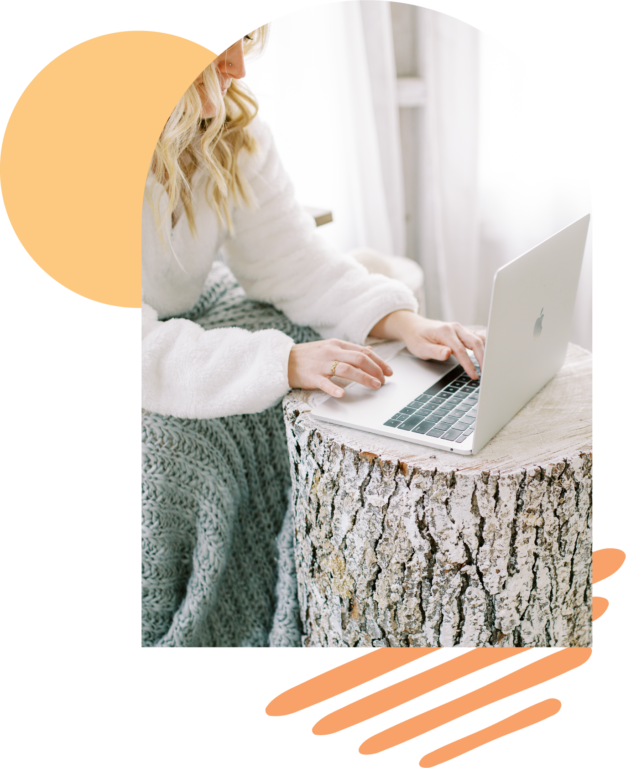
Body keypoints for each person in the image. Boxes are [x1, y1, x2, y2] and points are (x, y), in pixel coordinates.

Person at [141, 26, 485, 648]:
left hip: (179, 315)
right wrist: (286, 362)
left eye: (244, 36)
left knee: (328, 373)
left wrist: (405, 323)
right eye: (220, 41)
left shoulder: (233, 134)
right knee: (183, 447)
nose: (240, 65)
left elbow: (292, 261)